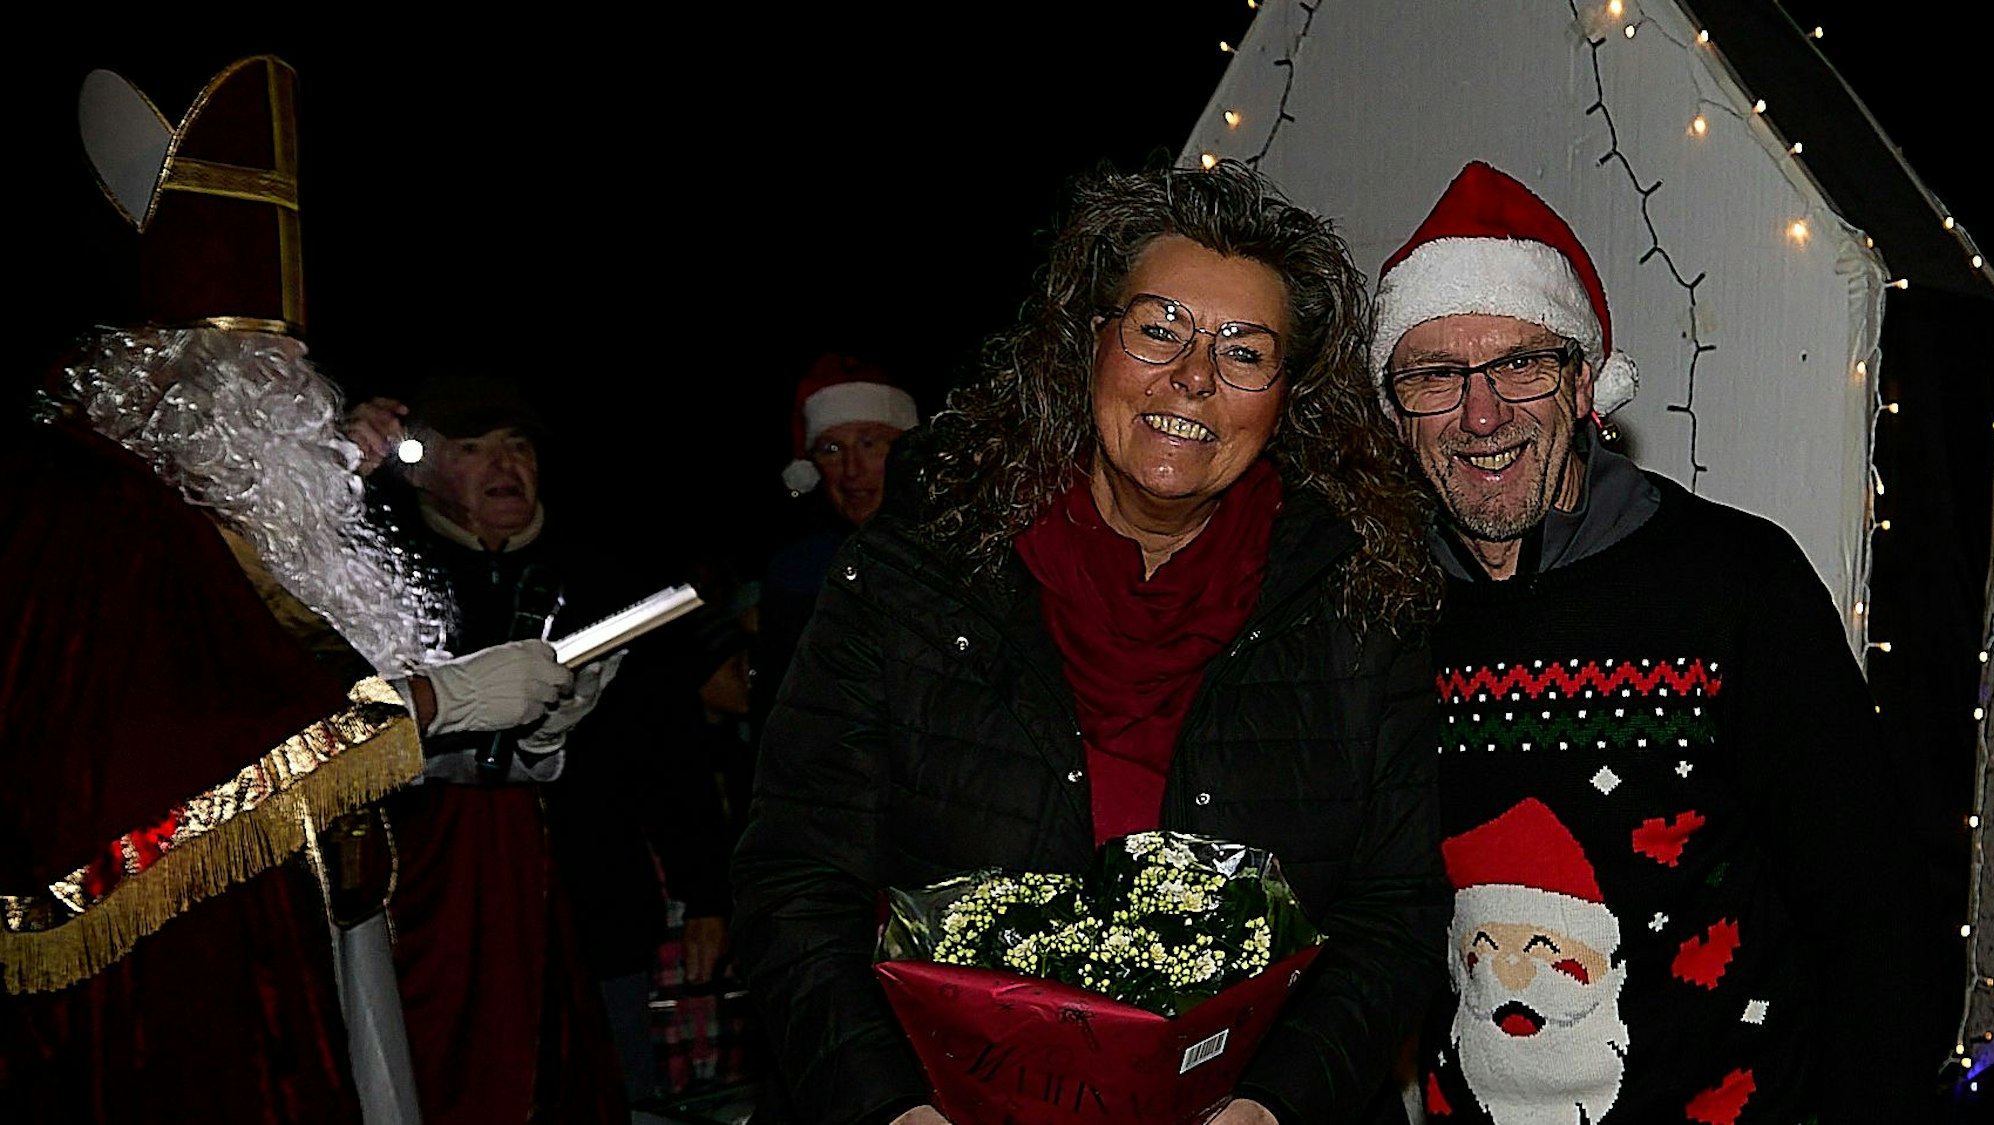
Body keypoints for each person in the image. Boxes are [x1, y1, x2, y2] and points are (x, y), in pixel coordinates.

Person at [733, 161, 1448, 1125]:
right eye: (1160, 329)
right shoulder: (916, 575)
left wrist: (1275, 1106)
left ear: (1289, 395)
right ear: (1090, 342)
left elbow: (1393, 909)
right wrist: (890, 1108)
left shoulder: (1357, 602)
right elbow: (796, 881)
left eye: (1245, 352)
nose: (1194, 376)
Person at [1, 55, 577, 1125]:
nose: (305, 396)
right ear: (181, 382)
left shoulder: (216, 501)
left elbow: (283, 688)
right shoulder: (91, 506)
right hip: (178, 976)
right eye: (274, 365)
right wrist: (438, 708)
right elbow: (151, 760)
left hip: (309, 929)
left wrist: (484, 718)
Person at [1370, 161, 1930, 1122]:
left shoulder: (1735, 583)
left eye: (1520, 363)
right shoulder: (1376, 612)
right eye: (1435, 375)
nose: (1480, 412)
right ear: (1396, 412)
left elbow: (1873, 921)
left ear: (1585, 382)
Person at [345, 377, 731, 1122]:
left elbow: (671, 744)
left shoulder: (604, 576)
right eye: (472, 446)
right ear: (421, 468)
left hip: (596, 907)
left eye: (517, 445)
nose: (503, 464)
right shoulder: (382, 582)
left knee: (611, 1091)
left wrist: (707, 889)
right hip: (434, 918)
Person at [755, 354, 920, 723]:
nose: (851, 471)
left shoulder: (967, 554)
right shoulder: (796, 575)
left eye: (870, 444)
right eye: (831, 450)